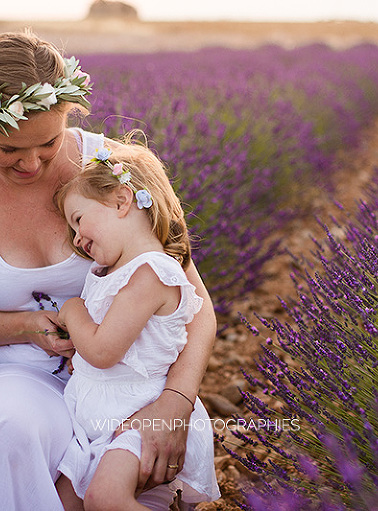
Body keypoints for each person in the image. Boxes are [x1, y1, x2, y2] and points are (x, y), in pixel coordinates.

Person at [0, 29, 217, 510]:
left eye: (48, 142)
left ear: (69, 111)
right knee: (7, 426)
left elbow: (195, 306)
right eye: (8, 149)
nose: (31, 164)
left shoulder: (116, 172)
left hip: (132, 383)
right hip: (21, 375)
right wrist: (26, 327)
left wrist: (175, 402)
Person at [53, 141, 221, 510]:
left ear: (121, 201)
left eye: (78, 220)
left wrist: (72, 310)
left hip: (141, 414)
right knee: (64, 502)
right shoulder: (113, 272)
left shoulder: (151, 273)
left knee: (105, 499)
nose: (76, 238)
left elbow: (102, 351)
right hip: (103, 417)